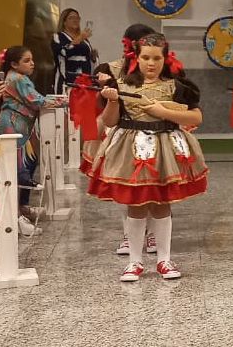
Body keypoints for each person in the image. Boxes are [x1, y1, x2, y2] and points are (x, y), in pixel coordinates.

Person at [87, 33, 207, 281]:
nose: (151, 63)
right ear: (136, 57)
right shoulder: (122, 85)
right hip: (131, 148)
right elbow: (110, 121)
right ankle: (135, 261)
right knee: (136, 203)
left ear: (166, 58)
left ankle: (164, 259)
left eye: (156, 58)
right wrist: (110, 101)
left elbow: (196, 118)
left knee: (163, 202)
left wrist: (162, 111)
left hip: (166, 148)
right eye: (145, 58)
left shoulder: (178, 87)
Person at [0, 46, 66, 230]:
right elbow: (36, 100)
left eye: (32, 59)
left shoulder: (15, 77)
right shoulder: (18, 78)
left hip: (19, 123)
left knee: (23, 165)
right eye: (27, 60)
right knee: (19, 168)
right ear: (13, 64)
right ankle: (16, 214)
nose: (32, 63)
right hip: (14, 124)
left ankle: (22, 208)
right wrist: (64, 101)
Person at [51, 8, 96, 94]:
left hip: (84, 80)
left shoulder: (84, 40)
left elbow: (88, 57)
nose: (75, 20)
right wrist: (79, 39)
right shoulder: (58, 37)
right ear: (64, 22)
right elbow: (63, 52)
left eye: (77, 18)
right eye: (71, 18)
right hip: (66, 80)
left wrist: (93, 56)